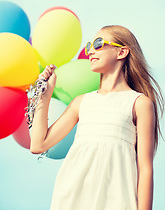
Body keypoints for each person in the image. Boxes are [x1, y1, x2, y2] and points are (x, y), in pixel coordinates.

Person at [30, 25, 164, 210]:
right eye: (89, 46)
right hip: (71, 199)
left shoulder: (139, 103)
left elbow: (145, 168)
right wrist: (45, 96)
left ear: (122, 52)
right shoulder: (81, 102)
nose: (91, 51)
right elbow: (38, 145)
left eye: (98, 44)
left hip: (118, 200)